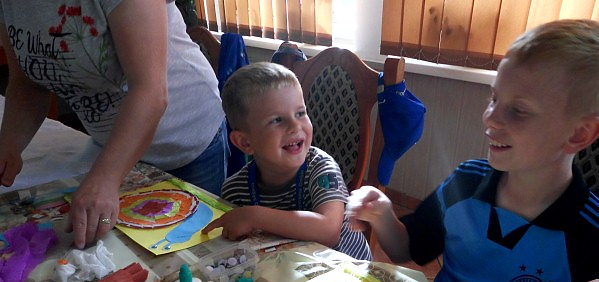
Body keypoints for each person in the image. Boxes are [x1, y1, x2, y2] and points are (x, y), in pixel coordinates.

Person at [347, 19, 599, 282]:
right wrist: (383, 215)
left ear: (579, 134)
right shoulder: (466, 181)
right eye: (494, 98)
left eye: (518, 110)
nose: (490, 118)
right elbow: (407, 249)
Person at [0, 0, 228, 249]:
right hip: (116, 149)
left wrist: (105, 180)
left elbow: (149, 92)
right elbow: (28, 85)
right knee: (116, 248)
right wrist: (7, 148)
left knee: (189, 249)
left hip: (184, 138)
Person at [201, 62, 371, 261]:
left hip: (349, 271)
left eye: (300, 113)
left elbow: (328, 231)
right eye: (277, 120)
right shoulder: (235, 190)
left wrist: (254, 217)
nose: (295, 126)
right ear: (245, 142)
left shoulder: (321, 168)